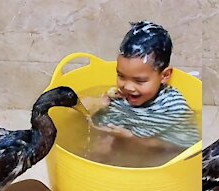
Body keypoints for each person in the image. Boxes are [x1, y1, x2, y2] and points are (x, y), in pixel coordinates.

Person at [83, 21, 200, 151]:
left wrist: (130, 138)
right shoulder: (118, 97)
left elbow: (185, 148)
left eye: (139, 81)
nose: (127, 87)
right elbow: (76, 108)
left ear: (165, 75)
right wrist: (100, 102)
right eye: (121, 76)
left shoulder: (173, 107)